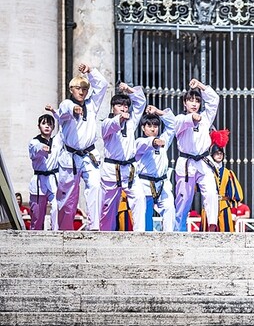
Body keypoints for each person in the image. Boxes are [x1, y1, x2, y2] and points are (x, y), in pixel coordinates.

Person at [55, 63, 108, 231]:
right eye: (78, 88)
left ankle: (94, 226)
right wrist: (74, 108)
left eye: (85, 89)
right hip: (70, 157)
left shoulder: (92, 105)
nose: (82, 91)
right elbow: (64, 110)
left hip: (89, 155)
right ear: (71, 89)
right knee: (68, 195)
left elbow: (103, 85)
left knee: (95, 186)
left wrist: (90, 71)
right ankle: (64, 229)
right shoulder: (66, 104)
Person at [173, 79, 220, 232]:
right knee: (183, 199)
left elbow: (214, 100)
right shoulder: (179, 119)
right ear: (184, 103)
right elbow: (186, 121)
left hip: (203, 162)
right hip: (186, 163)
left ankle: (213, 225)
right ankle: (179, 229)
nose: (194, 104)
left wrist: (200, 85)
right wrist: (192, 118)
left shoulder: (205, 119)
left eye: (197, 101)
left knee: (211, 192)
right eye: (190, 100)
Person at [99, 83, 147, 231]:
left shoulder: (131, 122)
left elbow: (141, 102)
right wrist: (120, 119)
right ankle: (104, 235)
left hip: (129, 170)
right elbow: (113, 125)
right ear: (113, 107)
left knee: (139, 198)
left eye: (126, 106)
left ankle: (139, 234)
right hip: (111, 170)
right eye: (120, 105)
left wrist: (129, 90)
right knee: (108, 208)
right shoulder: (106, 123)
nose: (124, 108)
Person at [134, 105, 176, 232]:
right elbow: (144, 144)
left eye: (155, 126)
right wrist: (153, 142)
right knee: (144, 214)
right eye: (149, 126)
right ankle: (141, 240)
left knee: (169, 208)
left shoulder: (163, 139)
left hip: (162, 183)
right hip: (144, 183)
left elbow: (173, 125)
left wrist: (158, 112)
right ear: (143, 128)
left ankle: (169, 237)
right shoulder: (139, 142)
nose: (153, 129)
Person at [203, 129, 243, 232]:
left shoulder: (228, 173)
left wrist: (233, 208)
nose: (219, 155)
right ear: (212, 155)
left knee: (226, 231)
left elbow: (234, 192)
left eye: (221, 153)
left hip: (224, 205)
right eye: (216, 153)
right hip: (209, 204)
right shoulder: (206, 171)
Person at [27, 107, 60, 231]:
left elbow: (64, 124)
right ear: (39, 126)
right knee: (37, 214)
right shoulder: (34, 142)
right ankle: (35, 235)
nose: (47, 126)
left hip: (53, 178)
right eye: (44, 123)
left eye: (50, 124)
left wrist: (54, 112)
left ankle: (55, 232)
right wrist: (42, 148)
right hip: (39, 180)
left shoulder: (57, 141)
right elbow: (35, 149)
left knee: (57, 206)